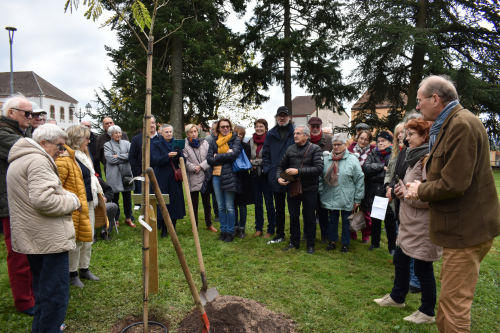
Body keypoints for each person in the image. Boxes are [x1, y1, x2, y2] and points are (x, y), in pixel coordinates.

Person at [405, 75, 500, 332]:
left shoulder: (460, 125)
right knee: (448, 303)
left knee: (454, 306)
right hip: (460, 228)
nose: (418, 107)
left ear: (436, 99)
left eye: (420, 100)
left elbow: (454, 183)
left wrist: (420, 189)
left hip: (466, 230)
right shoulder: (450, 123)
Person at [7, 124, 80, 333]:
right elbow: (45, 201)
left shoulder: (23, 158)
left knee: (42, 291)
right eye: (59, 146)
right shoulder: (39, 161)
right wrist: (73, 201)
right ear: (43, 143)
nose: (61, 151)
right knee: (55, 295)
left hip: (35, 237)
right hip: (48, 240)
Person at [374, 117, 443, 325]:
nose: (405, 137)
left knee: (423, 269)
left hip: (422, 225)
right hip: (409, 222)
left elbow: (433, 197)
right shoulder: (413, 156)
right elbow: (408, 185)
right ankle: (397, 297)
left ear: (424, 137)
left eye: (411, 134)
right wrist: (399, 191)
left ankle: (427, 312)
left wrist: (406, 194)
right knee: (401, 260)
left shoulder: (428, 161)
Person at [56, 125, 108, 288]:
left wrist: (99, 194)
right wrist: (72, 201)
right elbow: (59, 186)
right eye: (86, 138)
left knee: (88, 238)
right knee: (77, 240)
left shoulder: (84, 155)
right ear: (77, 140)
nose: (89, 141)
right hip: (76, 206)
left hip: (89, 201)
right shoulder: (64, 158)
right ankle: (72, 273)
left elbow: (92, 177)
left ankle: (84, 269)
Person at [0, 95, 35, 316]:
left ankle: (31, 293)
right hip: (11, 203)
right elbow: (33, 153)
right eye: (27, 114)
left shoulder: (19, 133)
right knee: (19, 252)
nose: (31, 118)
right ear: (11, 113)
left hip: (22, 200)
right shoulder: (4, 134)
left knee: (29, 250)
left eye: (33, 114)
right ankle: (24, 300)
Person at [385, 113, 422, 293]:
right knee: (403, 244)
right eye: (402, 133)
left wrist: (401, 188)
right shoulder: (403, 152)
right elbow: (396, 175)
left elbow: (414, 180)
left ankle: (415, 281)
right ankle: (405, 280)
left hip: (413, 206)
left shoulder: (420, 155)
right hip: (401, 202)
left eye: (407, 133)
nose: (404, 136)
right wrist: (391, 187)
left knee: (414, 247)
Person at [277, 125, 324, 254]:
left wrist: (298, 171)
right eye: (294, 134)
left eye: (298, 133)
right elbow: (281, 166)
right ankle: (294, 242)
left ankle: (311, 244)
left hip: (310, 189)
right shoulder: (290, 149)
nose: (295, 136)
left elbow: (318, 169)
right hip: (293, 188)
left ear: (307, 136)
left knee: (309, 218)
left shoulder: (315, 149)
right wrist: (279, 178)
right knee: (293, 217)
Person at [319, 133, 364, 253]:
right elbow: (320, 177)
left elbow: (359, 179)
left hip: (347, 196)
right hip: (331, 194)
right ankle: (332, 241)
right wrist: (320, 191)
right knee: (332, 219)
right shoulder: (327, 159)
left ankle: (345, 243)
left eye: (339, 144)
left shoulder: (352, 160)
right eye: (334, 144)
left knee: (346, 220)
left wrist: (358, 198)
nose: (336, 147)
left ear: (345, 145)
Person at [202, 119, 242, 242]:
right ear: (218, 128)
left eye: (227, 126)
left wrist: (217, 156)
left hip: (230, 176)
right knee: (220, 206)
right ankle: (223, 231)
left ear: (230, 127)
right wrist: (225, 155)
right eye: (222, 127)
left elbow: (234, 155)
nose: (225, 129)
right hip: (216, 176)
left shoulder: (235, 140)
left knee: (229, 206)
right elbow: (209, 159)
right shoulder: (214, 141)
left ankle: (230, 232)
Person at [262, 106, 295, 243]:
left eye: (285, 115)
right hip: (276, 175)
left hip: (293, 175)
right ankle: (279, 233)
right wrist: (270, 171)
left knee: (293, 209)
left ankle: (295, 235)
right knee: (279, 208)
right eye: (280, 116)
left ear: (290, 117)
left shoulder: (295, 133)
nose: (282, 118)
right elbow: (266, 154)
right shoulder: (270, 134)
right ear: (276, 117)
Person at [363, 130, 397, 255]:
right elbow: (366, 168)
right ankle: (375, 243)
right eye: (378, 141)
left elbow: (393, 173)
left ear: (389, 142)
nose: (380, 143)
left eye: (383, 141)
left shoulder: (394, 154)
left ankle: (392, 247)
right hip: (374, 191)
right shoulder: (373, 153)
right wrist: (382, 168)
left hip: (387, 191)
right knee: (375, 219)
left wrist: (377, 173)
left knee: (389, 221)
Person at [152, 124, 186, 236]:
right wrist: (168, 156)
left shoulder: (176, 144)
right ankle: (164, 229)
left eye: (170, 132)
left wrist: (179, 155)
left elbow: (183, 160)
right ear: (161, 133)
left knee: (174, 201)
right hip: (161, 176)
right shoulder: (156, 144)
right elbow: (155, 160)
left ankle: (173, 228)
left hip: (174, 176)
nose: (169, 134)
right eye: (166, 132)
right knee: (163, 201)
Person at [183, 124, 217, 232]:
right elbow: (184, 160)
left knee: (207, 202)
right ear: (187, 134)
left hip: (204, 176)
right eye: (191, 132)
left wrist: (201, 166)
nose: (193, 134)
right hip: (192, 176)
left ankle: (209, 224)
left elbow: (210, 156)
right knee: (194, 203)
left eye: (195, 131)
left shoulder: (204, 143)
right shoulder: (184, 145)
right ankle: (195, 225)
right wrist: (193, 168)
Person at [103, 125, 136, 228]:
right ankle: (115, 219)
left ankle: (128, 218)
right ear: (111, 135)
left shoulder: (127, 143)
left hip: (126, 174)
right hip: (114, 175)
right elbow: (110, 159)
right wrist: (124, 155)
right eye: (116, 133)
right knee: (115, 197)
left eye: (119, 132)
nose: (118, 135)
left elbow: (131, 155)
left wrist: (117, 156)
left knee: (127, 197)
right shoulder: (107, 145)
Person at [249, 119, 276, 238]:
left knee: (269, 204)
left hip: (267, 176)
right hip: (254, 176)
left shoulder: (270, 140)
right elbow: (246, 159)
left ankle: (271, 229)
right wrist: (253, 166)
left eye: (261, 126)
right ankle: (258, 228)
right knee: (258, 204)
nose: (258, 128)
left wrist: (254, 162)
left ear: (266, 128)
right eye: (256, 126)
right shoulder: (250, 141)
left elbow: (269, 159)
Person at [347, 129, 376, 243]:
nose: (363, 141)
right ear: (357, 138)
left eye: (366, 139)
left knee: (366, 211)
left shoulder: (373, 151)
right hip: (351, 184)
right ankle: (353, 232)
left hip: (367, 184)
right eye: (361, 138)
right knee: (351, 210)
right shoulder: (350, 149)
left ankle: (366, 235)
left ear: (369, 141)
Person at [307, 117, 332, 244]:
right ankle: (307, 233)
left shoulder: (329, 140)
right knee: (308, 209)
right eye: (313, 126)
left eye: (317, 126)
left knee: (323, 209)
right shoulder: (305, 138)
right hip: (308, 179)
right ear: (309, 127)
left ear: (321, 126)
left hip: (324, 180)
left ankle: (325, 235)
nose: (315, 128)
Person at [128, 116, 159, 211]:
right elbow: (132, 157)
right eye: (149, 123)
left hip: (158, 174)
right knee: (145, 201)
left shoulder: (161, 138)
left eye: (153, 122)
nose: (152, 125)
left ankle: (159, 221)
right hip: (143, 174)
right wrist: (139, 172)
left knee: (158, 199)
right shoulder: (137, 139)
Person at [233, 125, 254, 238]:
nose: (238, 136)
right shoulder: (229, 145)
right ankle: (235, 227)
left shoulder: (246, 146)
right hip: (233, 177)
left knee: (242, 205)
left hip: (244, 177)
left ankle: (242, 228)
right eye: (236, 134)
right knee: (234, 204)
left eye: (241, 134)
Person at [204, 121, 219, 222]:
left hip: (224, 170)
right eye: (213, 129)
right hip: (211, 169)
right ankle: (217, 214)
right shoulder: (207, 140)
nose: (214, 131)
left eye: (216, 129)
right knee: (214, 193)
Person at [97, 176, 119, 241]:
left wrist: (105, 198)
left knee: (113, 206)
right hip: (86, 206)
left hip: (100, 205)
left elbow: (109, 190)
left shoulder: (97, 178)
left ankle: (105, 231)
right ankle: (93, 234)